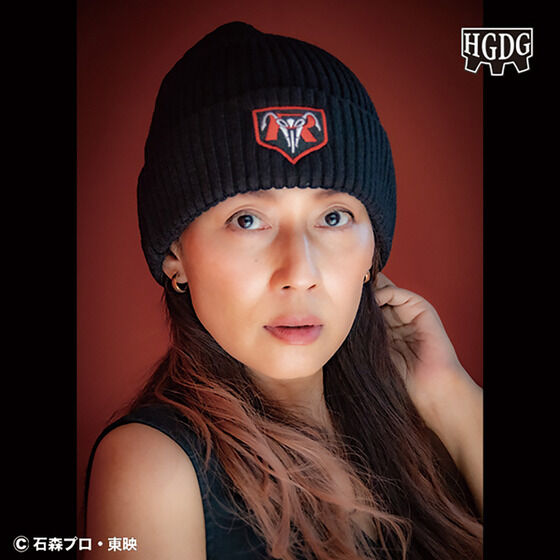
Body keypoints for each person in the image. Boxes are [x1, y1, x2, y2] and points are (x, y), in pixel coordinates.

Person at [82, 21, 483, 560]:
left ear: (372, 256)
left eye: (334, 217)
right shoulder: (155, 469)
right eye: (247, 220)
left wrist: (453, 397)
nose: (299, 271)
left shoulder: (425, 424)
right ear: (176, 257)